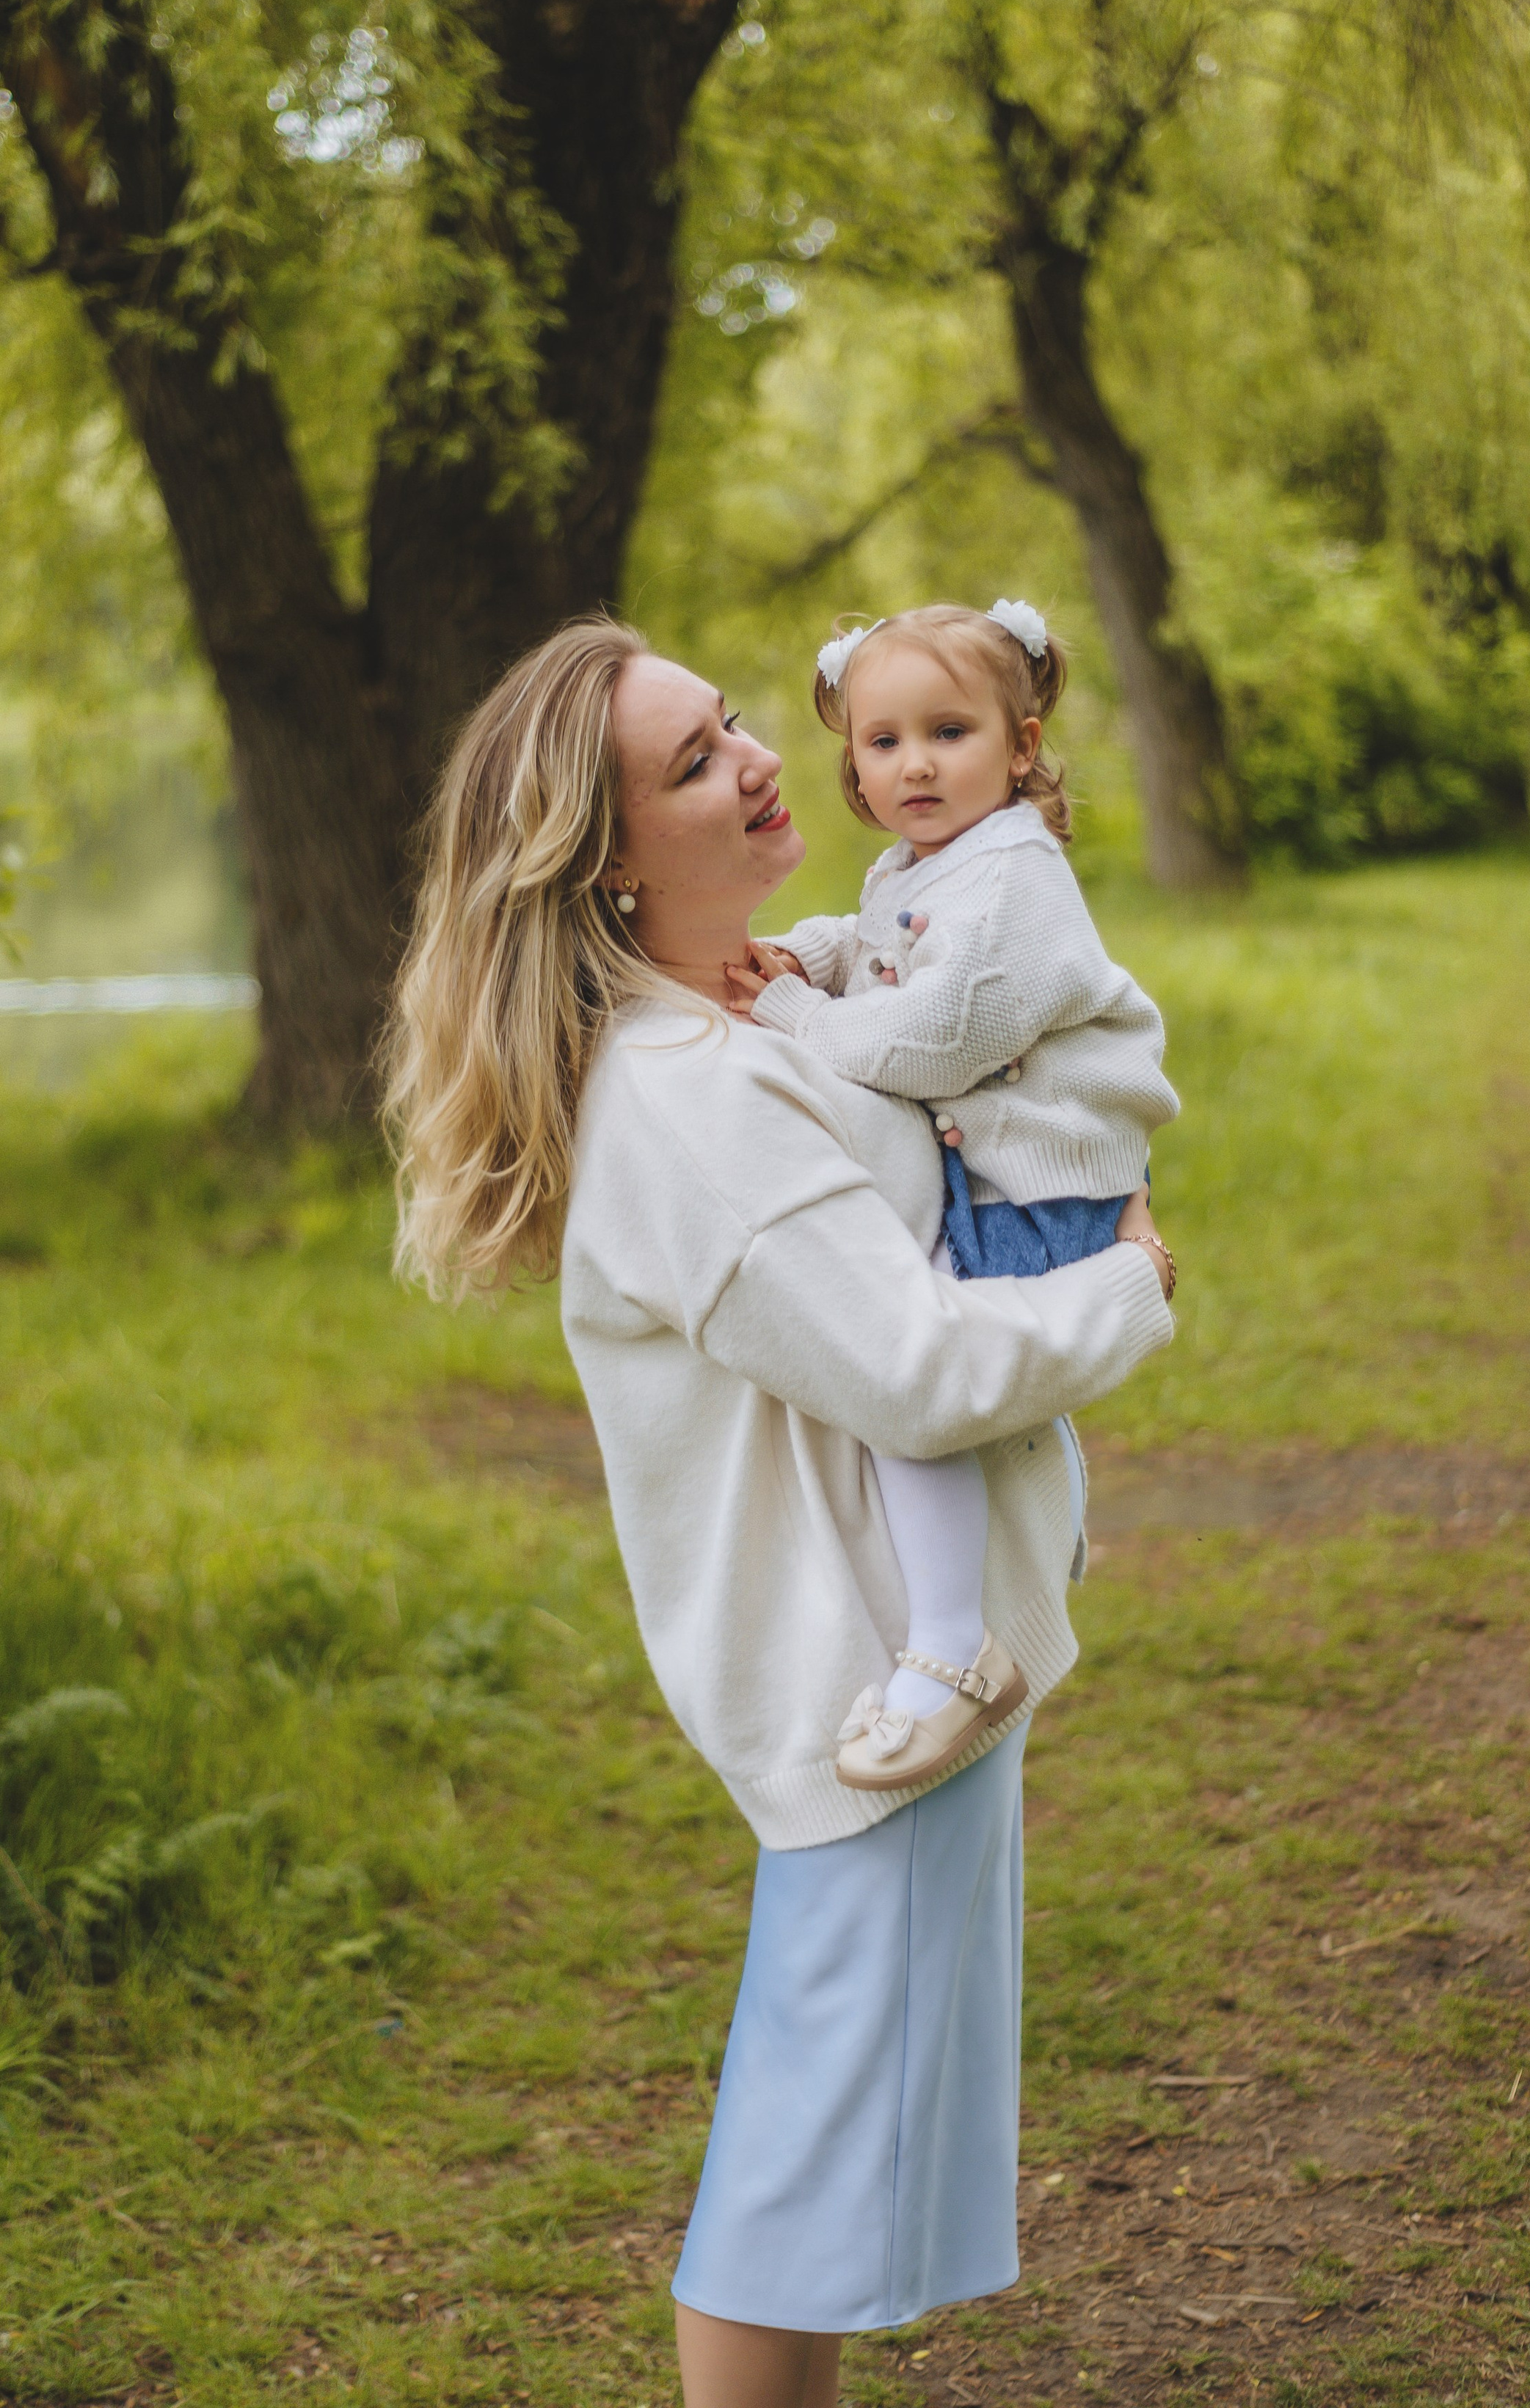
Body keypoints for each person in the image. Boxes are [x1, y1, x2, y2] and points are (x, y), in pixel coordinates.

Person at [383, 616, 1176, 2408]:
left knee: (822, 2171)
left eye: (732, 721)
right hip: (861, 1687)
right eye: (691, 762)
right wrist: (1129, 1284)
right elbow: (914, 1369)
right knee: (789, 2182)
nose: (757, 758)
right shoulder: (686, 1101)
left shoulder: (744, 1014)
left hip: (907, 1674)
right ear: (603, 855)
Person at [731, 601, 1179, 1796]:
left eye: (948, 732)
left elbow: (938, 1035)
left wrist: (793, 1013)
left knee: (910, 1373)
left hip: (1044, 1179)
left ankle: (952, 1645)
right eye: (884, 742)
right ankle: (1039, 1507)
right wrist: (813, 955)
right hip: (1011, 1165)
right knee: (927, 1360)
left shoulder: (1016, 877)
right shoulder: (927, 863)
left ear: (1021, 747)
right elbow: (882, 937)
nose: (915, 764)